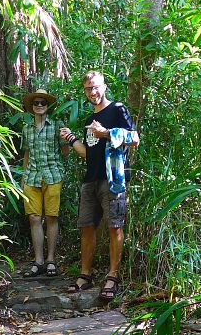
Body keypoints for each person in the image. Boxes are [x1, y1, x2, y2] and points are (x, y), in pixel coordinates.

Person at [60, 70, 139, 300]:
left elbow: (134, 138)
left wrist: (105, 133)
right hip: (90, 180)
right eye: (88, 89)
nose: (93, 92)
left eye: (96, 87)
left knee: (115, 226)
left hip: (113, 178)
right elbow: (88, 153)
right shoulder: (88, 120)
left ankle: (113, 276)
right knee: (86, 226)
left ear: (104, 87)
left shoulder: (117, 109)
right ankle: (85, 274)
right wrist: (72, 139)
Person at [21, 89, 69, 277]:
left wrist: (65, 140)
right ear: (32, 106)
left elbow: (65, 152)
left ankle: (51, 260)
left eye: (43, 103)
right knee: (34, 218)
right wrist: (23, 177)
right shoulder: (26, 128)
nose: (39, 105)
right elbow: (26, 153)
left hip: (53, 175)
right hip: (32, 176)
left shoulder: (57, 126)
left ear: (48, 106)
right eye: (36, 103)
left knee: (51, 217)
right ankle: (38, 261)